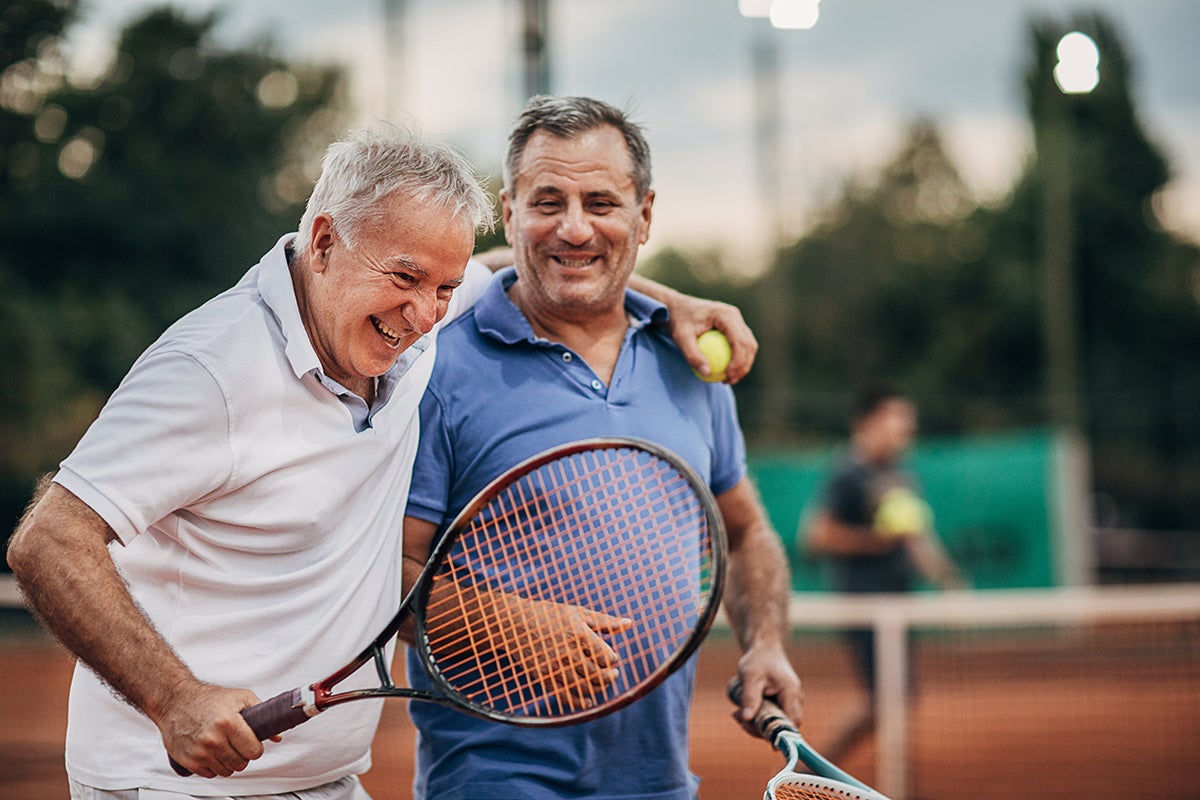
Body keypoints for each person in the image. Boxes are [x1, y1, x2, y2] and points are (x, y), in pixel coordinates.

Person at [6, 123, 758, 800]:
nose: (425, 312)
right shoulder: (211, 369)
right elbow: (48, 539)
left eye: (441, 287)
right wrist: (171, 697)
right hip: (173, 785)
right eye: (404, 279)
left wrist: (676, 302)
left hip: (323, 778)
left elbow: (526, 267)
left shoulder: (408, 320)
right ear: (325, 241)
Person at [401, 95, 803, 800]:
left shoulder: (694, 365)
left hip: (656, 778)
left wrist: (764, 641)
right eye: (548, 201)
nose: (575, 227)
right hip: (495, 778)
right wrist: (508, 626)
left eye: (601, 202)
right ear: (510, 212)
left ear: (644, 216)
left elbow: (745, 532)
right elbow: (385, 573)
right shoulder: (436, 369)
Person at [803, 384, 965, 762]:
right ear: (870, 422)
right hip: (864, 603)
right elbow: (818, 536)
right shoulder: (847, 471)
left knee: (895, 698)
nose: (905, 432)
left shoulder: (899, 472)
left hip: (899, 601)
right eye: (898, 423)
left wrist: (945, 579)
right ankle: (815, 770)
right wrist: (878, 541)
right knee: (888, 698)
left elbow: (914, 538)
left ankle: (826, 770)